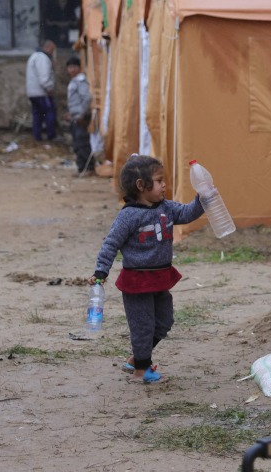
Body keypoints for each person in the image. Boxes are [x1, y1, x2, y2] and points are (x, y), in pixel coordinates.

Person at [91, 154, 204, 383]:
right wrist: (101, 272)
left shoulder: (167, 208)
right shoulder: (128, 216)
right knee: (142, 327)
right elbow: (110, 244)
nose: (164, 185)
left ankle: (137, 358)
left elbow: (187, 213)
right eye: (159, 180)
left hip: (160, 278)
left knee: (164, 321)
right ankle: (141, 371)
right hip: (137, 282)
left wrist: (203, 198)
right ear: (141, 186)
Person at [65, 55, 95, 175]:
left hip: (80, 117)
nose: (72, 70)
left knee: (82, 143)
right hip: (75, 117)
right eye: (70, 67)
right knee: (77, 144)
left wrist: (81, 115)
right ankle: (81, 168)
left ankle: (89, 168)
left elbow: (87, 98)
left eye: (74, 67)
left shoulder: (81, 81)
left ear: (79, 68)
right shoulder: (74, 81)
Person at [25, 39, 57, 141]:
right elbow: (44, 78)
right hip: (41, 92)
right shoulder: (42, 58)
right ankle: (51, 135)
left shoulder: (34, 56)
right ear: (47, 47)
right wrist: (49, 88)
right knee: (49, 113)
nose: (53, 53)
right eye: (52, 50)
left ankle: (37, 136)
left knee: (37, 115)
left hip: (33, 92)